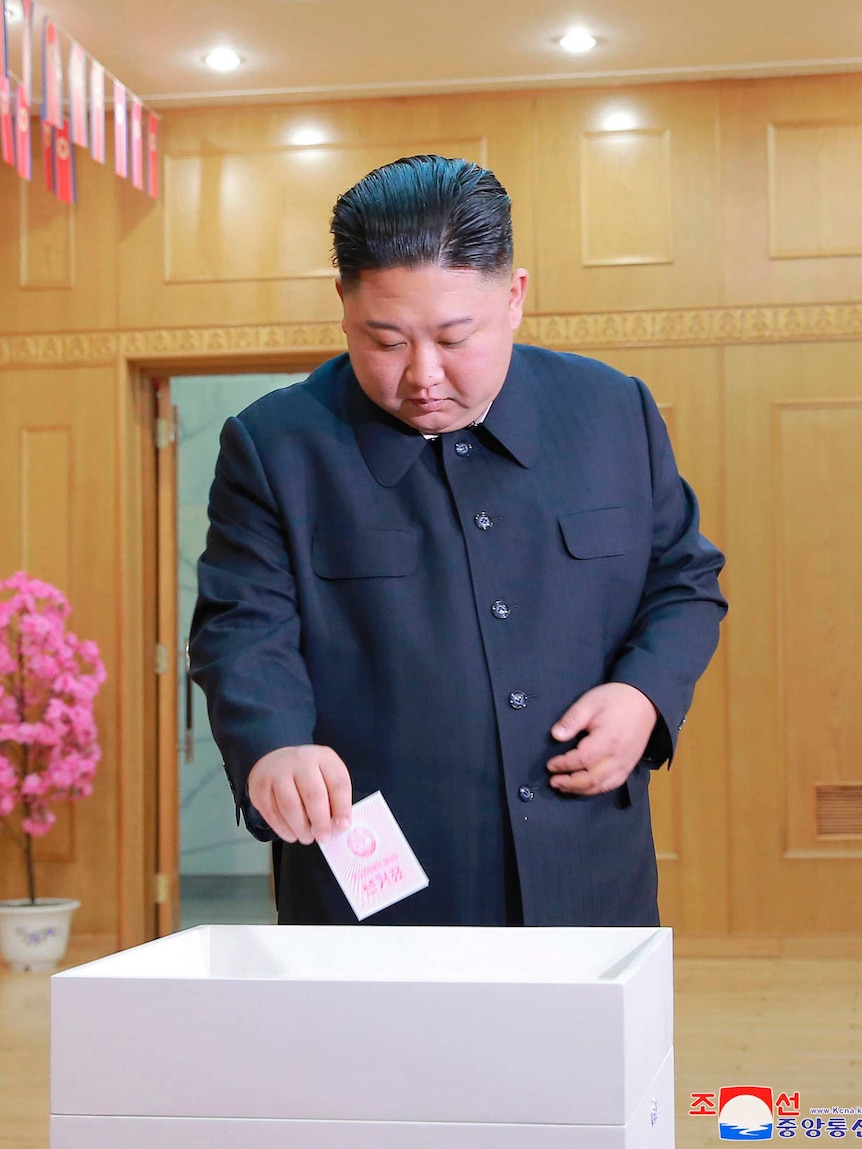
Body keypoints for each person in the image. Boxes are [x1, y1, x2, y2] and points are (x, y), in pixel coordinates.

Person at [190, 154, 727, 928]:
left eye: (454, 337)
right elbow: (243, 629)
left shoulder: (614, 413)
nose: (423, 376)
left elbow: (684, 581)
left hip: (589, 876)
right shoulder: (278, 446)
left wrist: (643, 695)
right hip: (379, 887)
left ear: (514, 297)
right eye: (386, 340)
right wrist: (273, 745)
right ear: (342, 303)